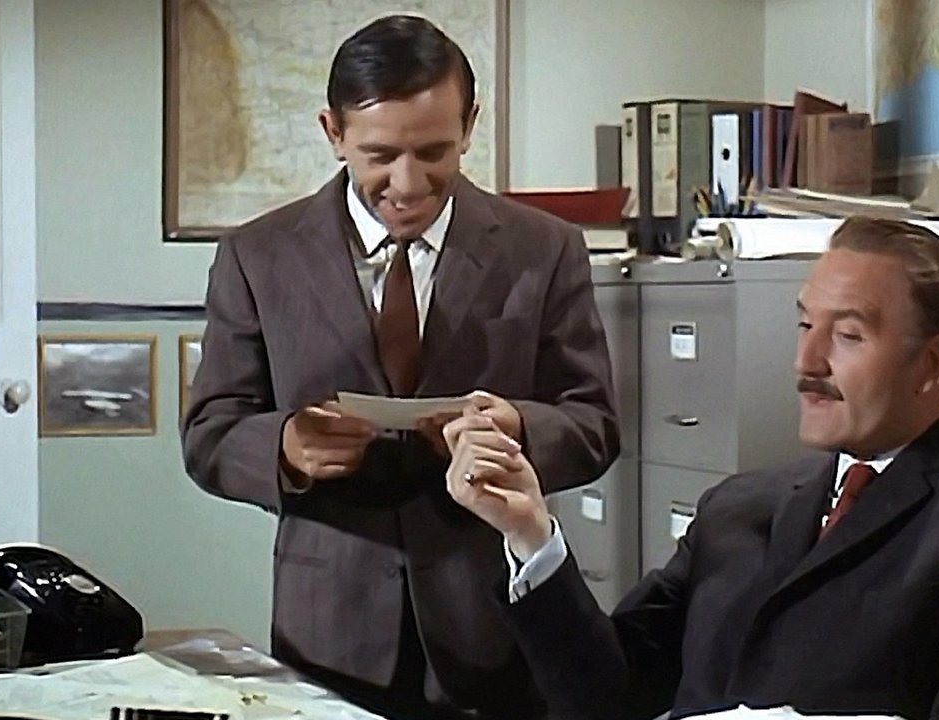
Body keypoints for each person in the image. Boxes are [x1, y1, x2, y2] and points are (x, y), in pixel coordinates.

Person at [445, 216, 939, 720]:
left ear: (933, 363)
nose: (806, 361)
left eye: (848, 336)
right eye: (804, 325)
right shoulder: (739, 505)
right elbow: (608, 697)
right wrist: (531, 535)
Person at [180, 13, 619, 720]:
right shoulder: (258, 256)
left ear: (470, 126)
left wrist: (515, 428)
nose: (408, 184)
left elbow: (593, 423)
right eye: (380, 155)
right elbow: (209, 434)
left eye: (434, 152)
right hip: (329, 632)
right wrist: (286, 448)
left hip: (495, 629)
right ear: (333, 132)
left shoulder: (544, 249)